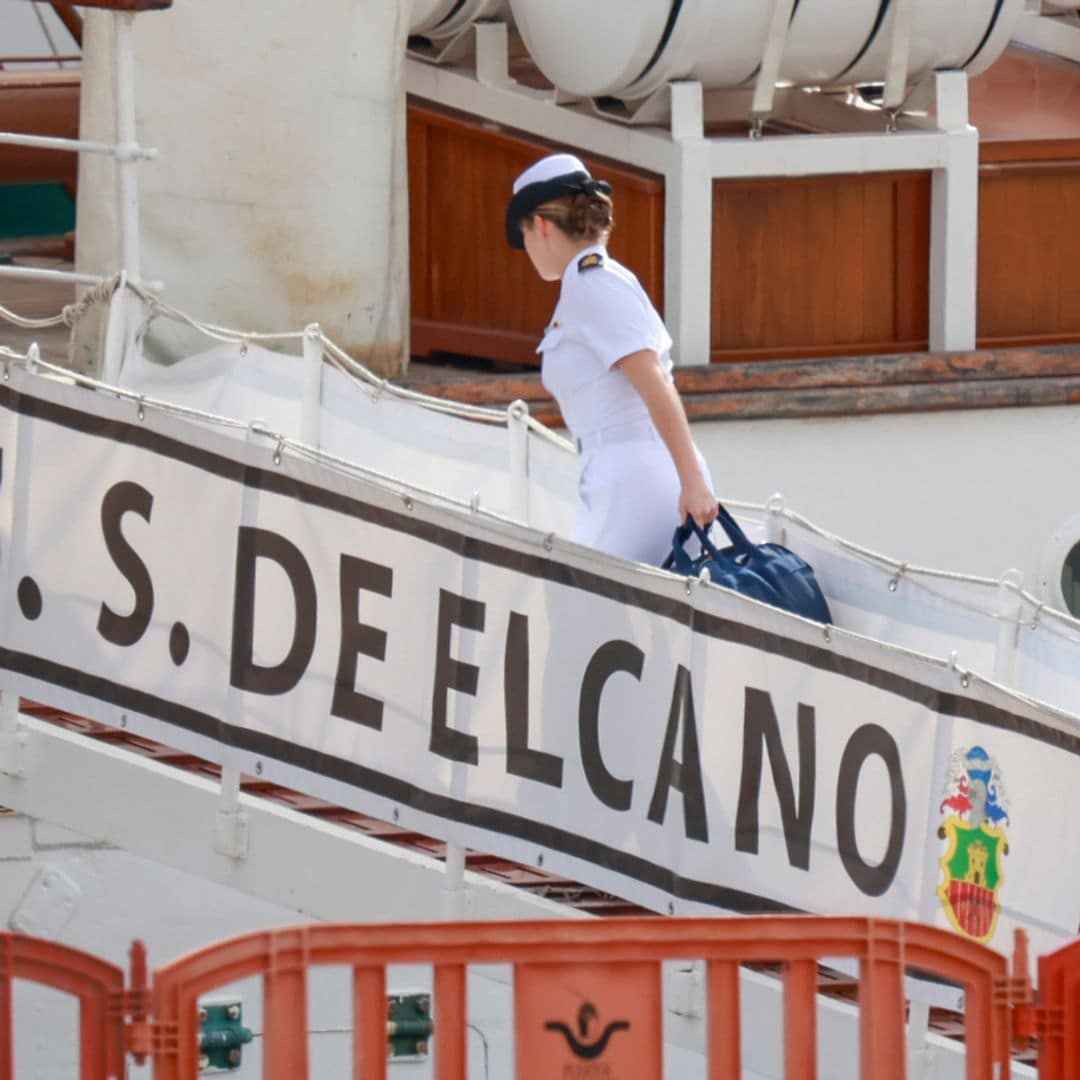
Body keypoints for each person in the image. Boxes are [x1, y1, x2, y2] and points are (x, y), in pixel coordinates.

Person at [506, 152, 718, 565]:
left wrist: (693, 482)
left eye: (525, 234)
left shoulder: (592, 285)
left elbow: (654, 379)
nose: (527, 248)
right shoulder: (590, 284)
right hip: (619, 478)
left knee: (578, 609)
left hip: (634, 482)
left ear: (543, 226)